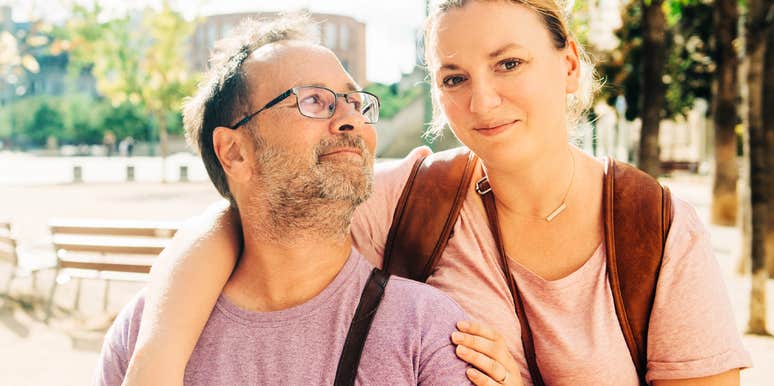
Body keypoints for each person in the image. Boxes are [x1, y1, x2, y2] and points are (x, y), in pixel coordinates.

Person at [122, 1, 752, 386]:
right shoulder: (416, 198)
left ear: (568, 65)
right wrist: (154, 360)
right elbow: (241, 219)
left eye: (509, 64)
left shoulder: (657, 229)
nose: (482, 100)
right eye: (455, 77)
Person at [94, 16, 473, 386]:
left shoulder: (429, 332)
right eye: (313, 100)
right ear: (235, 153)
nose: (351, 120)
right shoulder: (143, 333)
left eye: (355, 103)